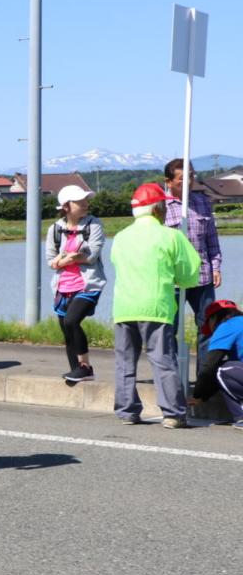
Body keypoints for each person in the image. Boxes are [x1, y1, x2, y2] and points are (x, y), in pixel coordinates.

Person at [110, 183, 202, 428]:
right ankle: (172, 413)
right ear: (158, 209)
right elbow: (189, 272)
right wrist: (180, 280)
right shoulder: (170, 235)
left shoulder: (120, 237)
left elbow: (116, 264)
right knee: (162, 360)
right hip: (156, 307)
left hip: (124, 307)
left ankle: (127, 411)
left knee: (124, 362)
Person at [164, 159, 222, 370]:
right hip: (172, 280)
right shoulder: (161, 206)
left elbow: (212, 239)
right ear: (168, 181)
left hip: (203, 275)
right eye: (182, 179)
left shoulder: (202, 202)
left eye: (191, 176)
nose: (188, 182)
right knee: (169, 329)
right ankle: (172, 379)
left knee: (207, 327)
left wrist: (216, 266)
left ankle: (204, 382)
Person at [45, 185, 106, 383]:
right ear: (66, 206)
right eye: (80, 202)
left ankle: (86, 367)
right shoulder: (54, 229)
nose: (85, 204)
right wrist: (69, 258)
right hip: (62, 287)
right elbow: (50, 261)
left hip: (88, 284)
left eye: (86, 200)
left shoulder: (93, 225)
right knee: (65, 328)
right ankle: (75, 370)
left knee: (72, 321)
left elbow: (91, 256)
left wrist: (64, 259)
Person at [190, 300, 243, 429]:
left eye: (210, 325)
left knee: (222, 370)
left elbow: (209, 366)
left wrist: (198, 395)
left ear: (214, 318)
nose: (212, 331)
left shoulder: (226, 326)